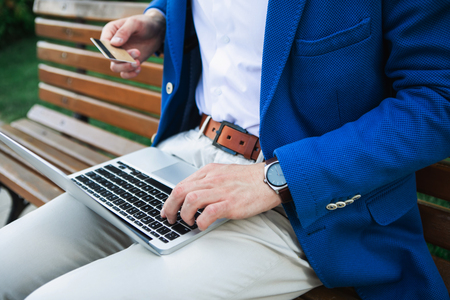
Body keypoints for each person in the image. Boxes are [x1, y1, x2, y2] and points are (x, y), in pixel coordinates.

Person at [1, 0, 449, 299]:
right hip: (183, 157)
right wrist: (160, 19)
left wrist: (279, 177)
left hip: (302, 205)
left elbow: (439, 99)